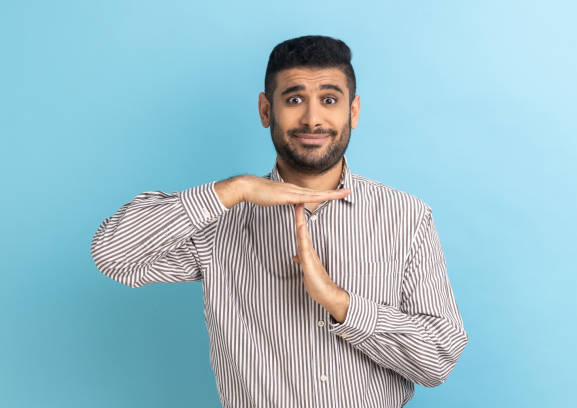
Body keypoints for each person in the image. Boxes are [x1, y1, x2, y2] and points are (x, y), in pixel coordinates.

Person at [91, 35, 469, 407]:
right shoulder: (220, 221)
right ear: (265, 110)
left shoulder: (406, 216)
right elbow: (113, 256)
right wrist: (234, 190)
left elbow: (438, 358)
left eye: (329, 99)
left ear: (353, 111)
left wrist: (341, 303)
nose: (312, 118)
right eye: (294, 99)